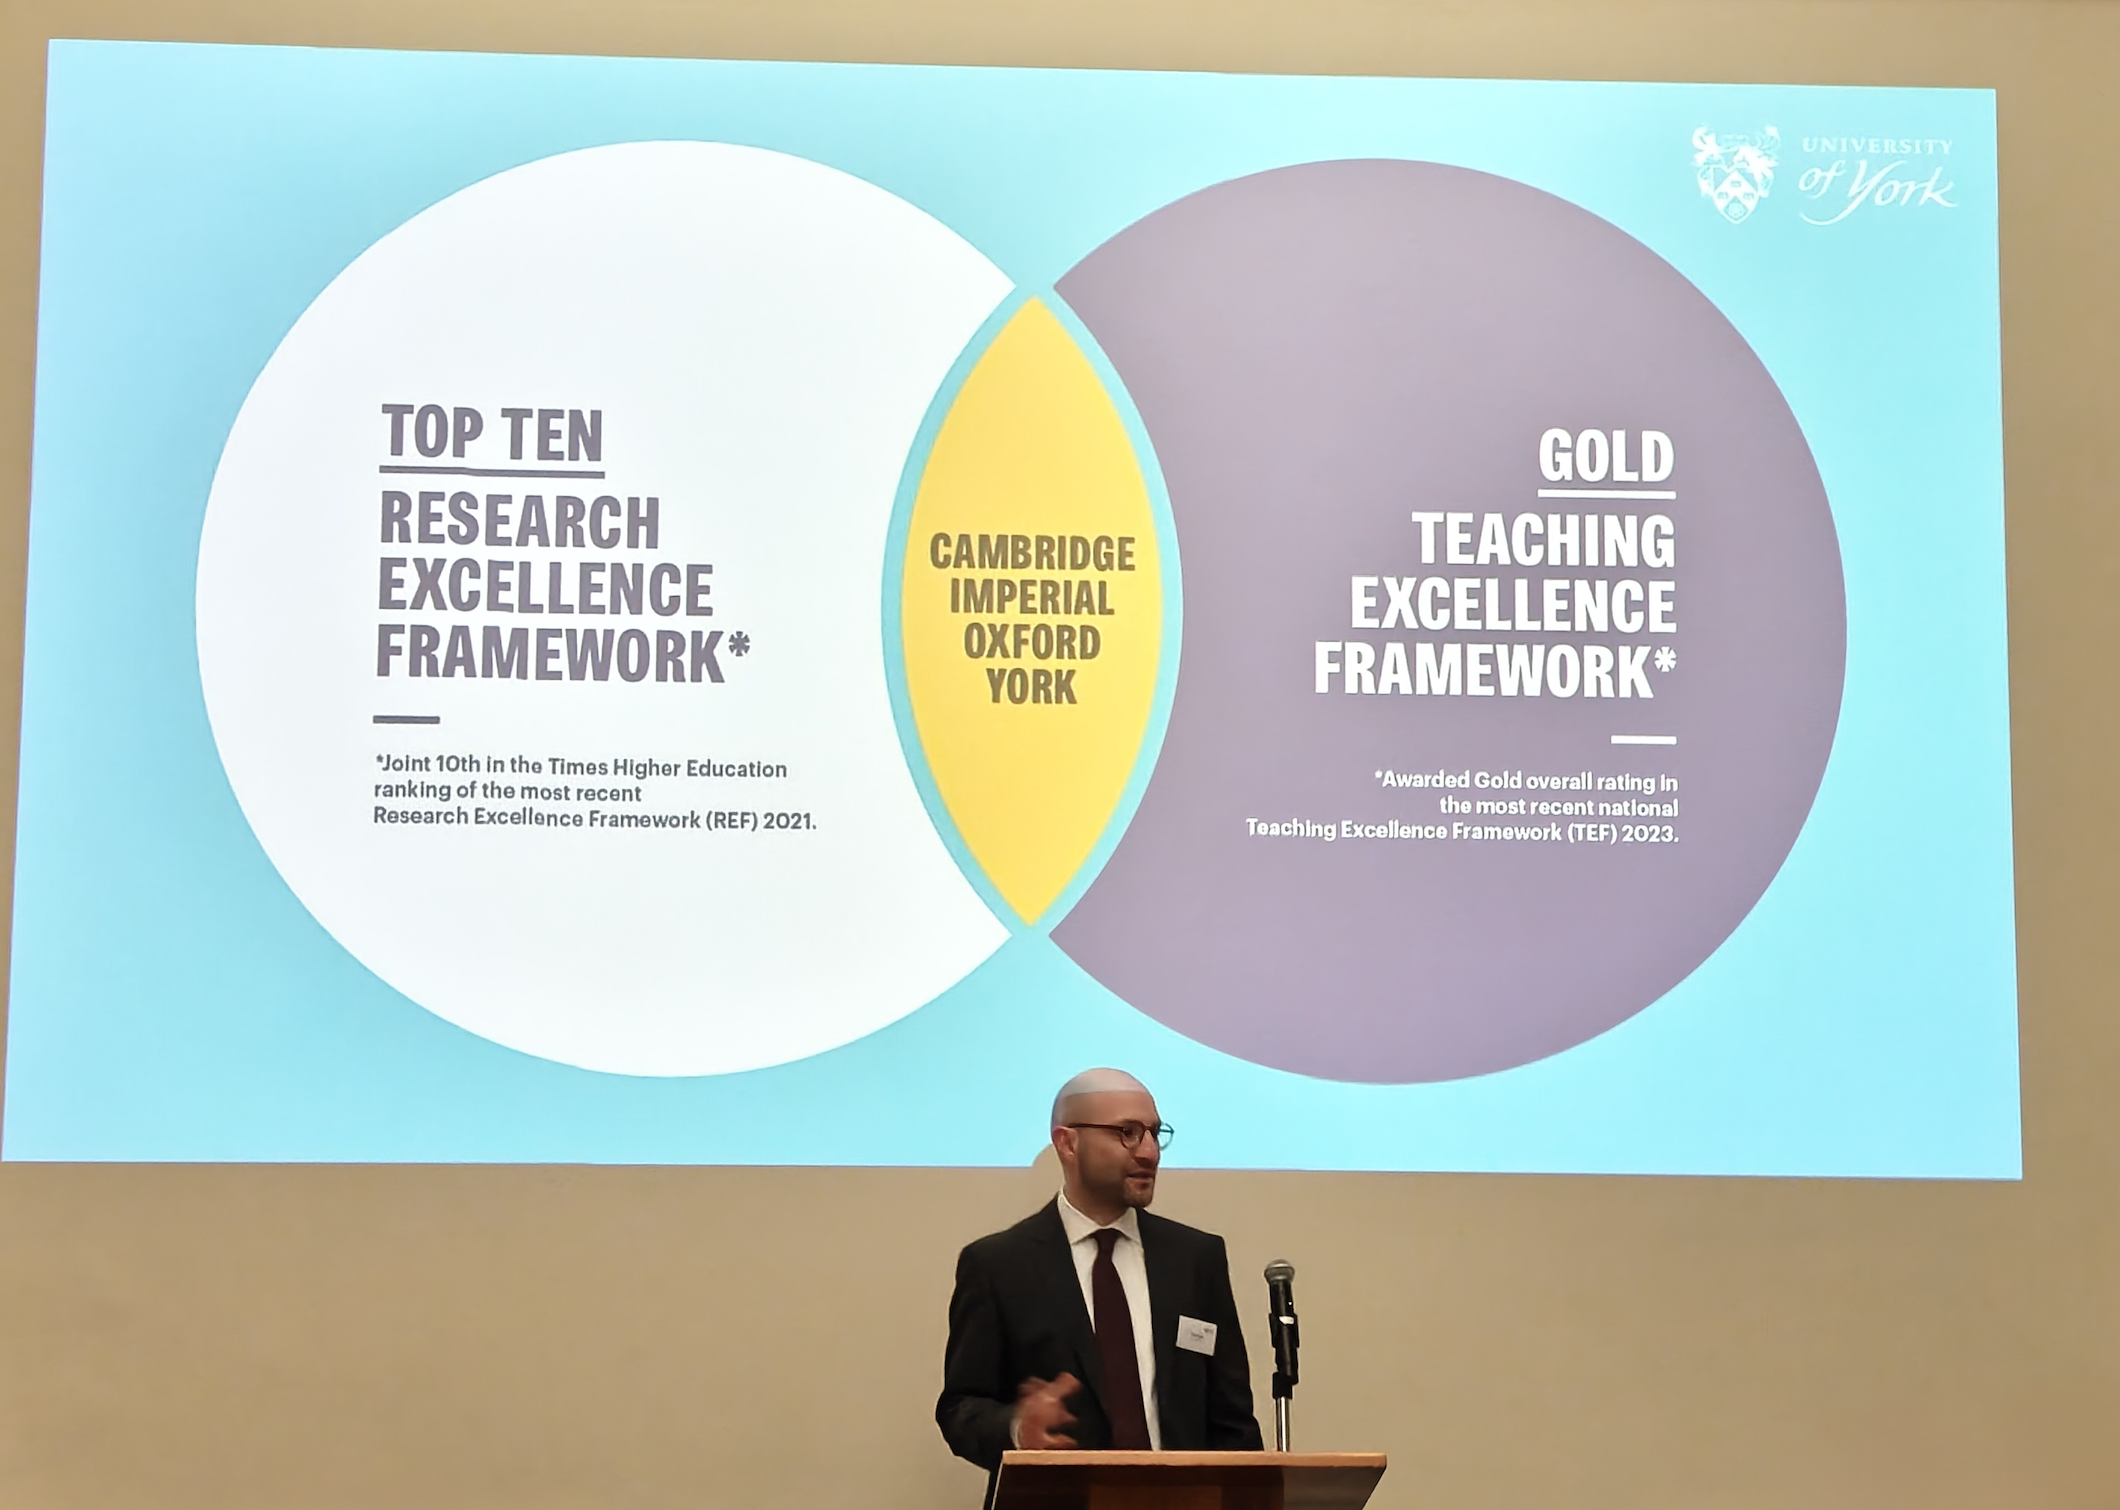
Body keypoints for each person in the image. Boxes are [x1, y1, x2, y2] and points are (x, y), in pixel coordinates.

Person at [936, 1068, 1263, 1483]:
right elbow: (961, 1407)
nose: (1149, 1153)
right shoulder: (998, 1265)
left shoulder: (1196, 1258)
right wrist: (1016, 1429)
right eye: (1128, 1133)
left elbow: (1233, 1420)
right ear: (1067, 1143)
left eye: (1154, 1133)